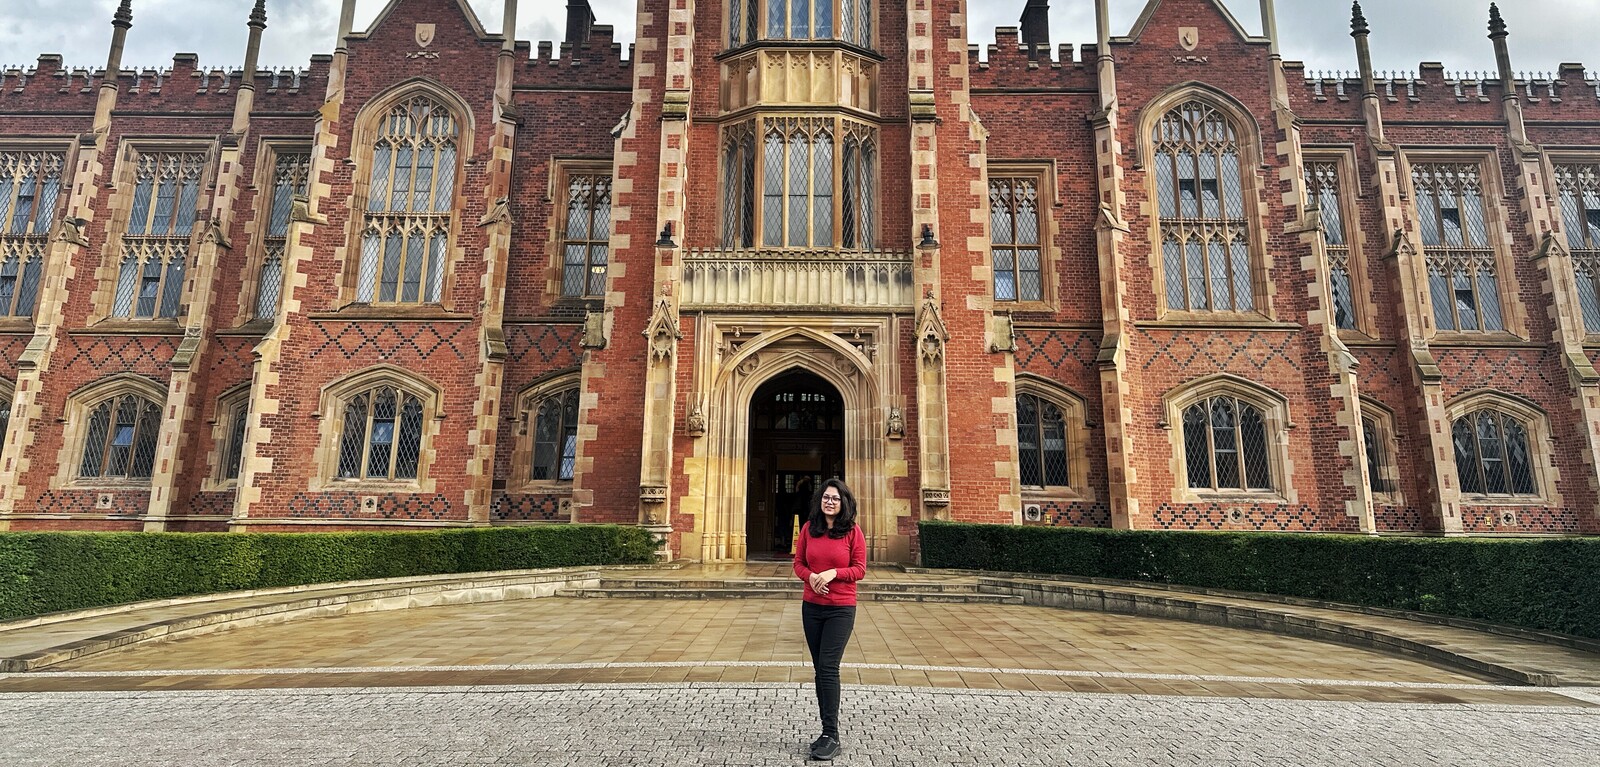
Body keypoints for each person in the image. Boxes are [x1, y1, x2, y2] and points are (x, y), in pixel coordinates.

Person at [791, 478, 866, 761]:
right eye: (825, 498)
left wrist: (834, 573)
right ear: (819, 501)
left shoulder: (853, 532)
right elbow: (798, 563)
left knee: (827, 667)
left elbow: (859, 569)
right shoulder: (810, 529)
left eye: (835, 498)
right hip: (812, 607)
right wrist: (810, 576)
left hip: (840, 609)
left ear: (844, 502)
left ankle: (832, 734)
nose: (830, 502)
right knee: (819, 669)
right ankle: (826, 732)